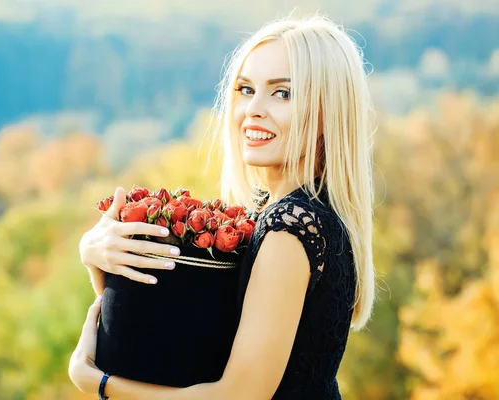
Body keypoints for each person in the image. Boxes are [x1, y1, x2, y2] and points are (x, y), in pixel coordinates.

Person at [70, 13, 376, 399]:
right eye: (246, 90)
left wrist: (98, 383)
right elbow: (183, 338)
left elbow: (238, 395)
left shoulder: (291, 227)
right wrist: (97, 258)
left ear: (325, 112)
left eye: (283, 93)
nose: (253, 110)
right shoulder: (286, 212)